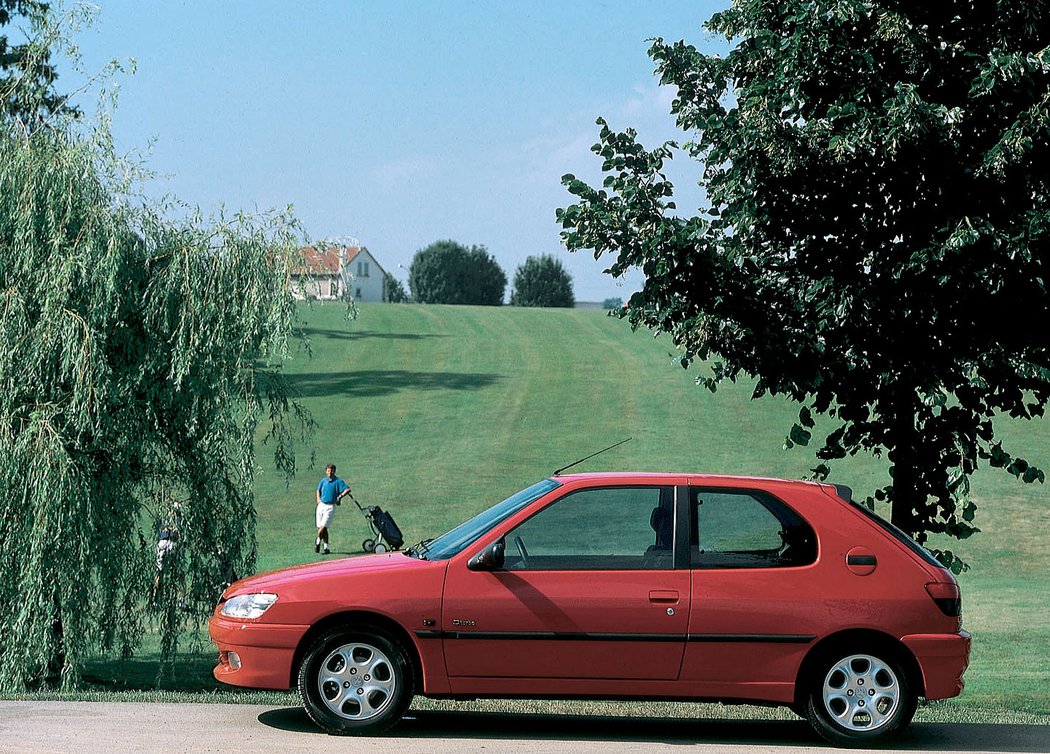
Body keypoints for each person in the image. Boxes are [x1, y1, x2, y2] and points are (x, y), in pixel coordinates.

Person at [315, 464, 351, 554]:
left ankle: (317, 541)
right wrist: (318, 500)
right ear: (326, 471)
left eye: (331, 471)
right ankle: (326, 548)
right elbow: (318, 490)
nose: (330, 473)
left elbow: (347, 489)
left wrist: (340, 496)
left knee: (322, 527)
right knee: (323, 528)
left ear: (334, 471)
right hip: (321, 505)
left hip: (330, 506)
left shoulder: (338, 481)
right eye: (328, 471)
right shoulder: (323, 481)